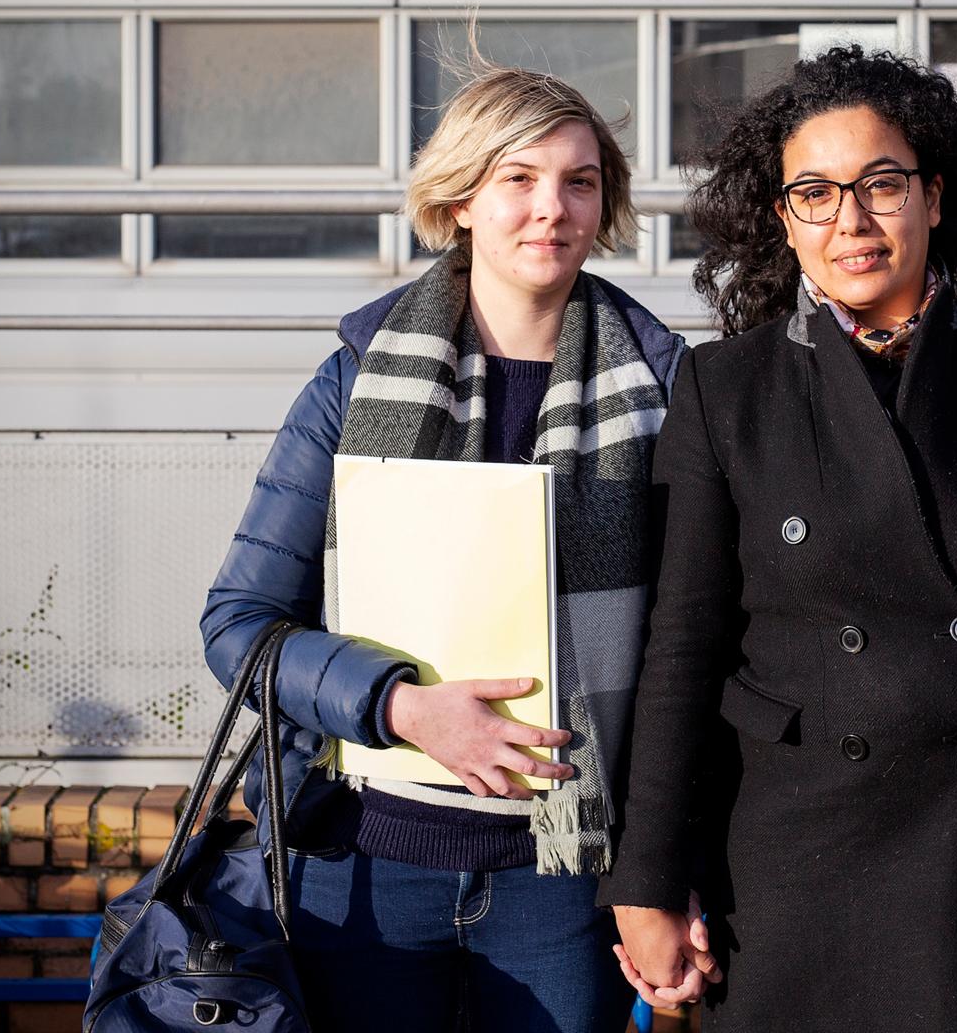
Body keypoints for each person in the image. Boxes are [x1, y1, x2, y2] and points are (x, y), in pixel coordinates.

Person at [600, 45, 957, 1032]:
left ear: (935, 196)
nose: (852, 222)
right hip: (789, 870)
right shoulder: (727, 387)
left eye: (881, 185)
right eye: (815, 194)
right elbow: (683, 650)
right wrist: (646, 880)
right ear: (783, 220)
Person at [201, 58, 685, 1032]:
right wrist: (404, 706)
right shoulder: (353, 380)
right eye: (519, 177)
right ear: (461, 198)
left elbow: (696, 648)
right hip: (363, 873)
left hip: (564, 879)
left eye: (579, 182)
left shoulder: (668, 391)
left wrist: (673, 873)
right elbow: (240, 626)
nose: (551, 207)